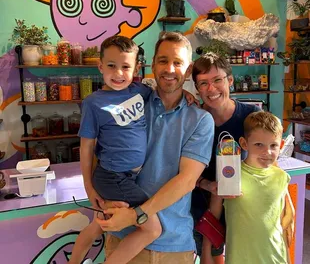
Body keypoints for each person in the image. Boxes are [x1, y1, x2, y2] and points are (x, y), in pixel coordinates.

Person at [96, 31, 215, 264]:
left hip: (173, 243)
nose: (169, 69)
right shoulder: (130, 105)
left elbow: (187, 180)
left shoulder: (200, 120)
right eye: (163, 61)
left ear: (188, 70)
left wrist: (137, 214)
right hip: (124, 238)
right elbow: (101, 153)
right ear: (152, 65)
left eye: (178, 63)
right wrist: (98, 196)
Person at [69, 35, 162, 264]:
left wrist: (188, 95)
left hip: (127, 177)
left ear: (136, 68)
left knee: (98, 225)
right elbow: (86, 147)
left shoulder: (142, 92)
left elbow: (166, 97)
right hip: (112, 177)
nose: (118, 73)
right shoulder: (93, 102)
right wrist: (88, 187)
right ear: (100, 66)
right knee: (152, 228)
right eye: (111, 66)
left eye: (125, 67)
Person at [191, 52, 260, 263]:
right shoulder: (192, 120)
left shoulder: (252, 116)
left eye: (217, 80)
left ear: (230, 80)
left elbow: (268, 166)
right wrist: (208, 185)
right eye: (203, 83)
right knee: (210, 257)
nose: (211, 89)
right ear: (197, 89)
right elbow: (182, 171)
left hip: (243, 207)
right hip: (202, 208)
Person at [204, 111, 292, 264]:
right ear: (244, 144)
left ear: (281, 145)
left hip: (276, 257)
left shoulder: (281, 177)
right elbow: (213, 215)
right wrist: (206, 251)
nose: (267, 152)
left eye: (273, 145)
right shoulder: (229, 175)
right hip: (239, 258)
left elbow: (283, 221)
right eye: (259, 145)